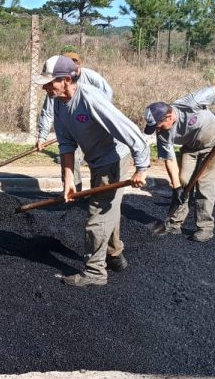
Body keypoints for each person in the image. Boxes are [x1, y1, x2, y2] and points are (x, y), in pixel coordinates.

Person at [33, 55, 150, 287]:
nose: (45, 87)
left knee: (97, 215)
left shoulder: (90, 99)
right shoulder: (58, 102)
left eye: (50, 82)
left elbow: (130, 131)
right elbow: (66, 143)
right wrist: (68, 179)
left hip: (114, 158)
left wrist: (142, 167)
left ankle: (95, 272)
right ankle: (114, 255)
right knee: (109, 208)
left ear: (66, 79)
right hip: (96, 159)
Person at [144, 83, 215, 242]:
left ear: (169, 116)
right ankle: (174, 223)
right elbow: (169, 159)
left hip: (214, 143)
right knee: (184, 181)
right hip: (191, 148)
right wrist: (176, 187)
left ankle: (205, 227)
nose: (158, 130)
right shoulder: (163, 133)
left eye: (159, 126)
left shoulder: (189, 103)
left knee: (205, 186)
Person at [36, 51, 113, 191]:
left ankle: (94, 193)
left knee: (96, 161)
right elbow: (48, 112)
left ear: (79, 65)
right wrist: (42, 136)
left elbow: (107, 99)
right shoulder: (55, 88)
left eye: (76, 64)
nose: (74, 69)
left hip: (91, 128)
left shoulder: (92, 80)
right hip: (70, 127)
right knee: (68, 155)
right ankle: (72, 192)